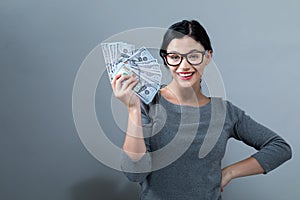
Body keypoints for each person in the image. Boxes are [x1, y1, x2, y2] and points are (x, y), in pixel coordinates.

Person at [111, 20, 292, 200]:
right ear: (165, 59)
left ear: (207, 56)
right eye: (175, 57)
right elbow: (134, 174)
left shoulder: (225, 112)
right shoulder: (148, 104)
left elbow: (280, 148)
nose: (184, 66)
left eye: (194, 56)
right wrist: (133, 109)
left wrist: (230, 172)